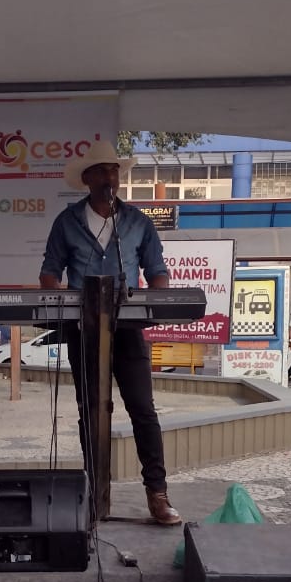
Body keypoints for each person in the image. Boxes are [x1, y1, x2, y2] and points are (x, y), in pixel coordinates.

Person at [39, 141, 180, 526]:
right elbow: (49, 272)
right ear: (87, 179)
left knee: (143, 410)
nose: (110, 177)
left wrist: (158, 301)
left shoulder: (137, 222)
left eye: (114, 170)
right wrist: (57, 299)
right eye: (101, 171)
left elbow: (157, 271)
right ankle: (95, 494)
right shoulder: (66, 222)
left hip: (128, 329)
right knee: (90, 412)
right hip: (83, 330)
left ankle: (157, 494)